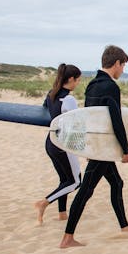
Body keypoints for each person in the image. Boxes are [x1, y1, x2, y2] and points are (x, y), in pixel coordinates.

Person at [59, 45, 128, 248]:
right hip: (103, 149)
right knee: (86, 190)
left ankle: (125, 228)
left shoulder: (92, 85)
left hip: (97, 146)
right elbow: (116, 120)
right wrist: (125, 150)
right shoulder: (110, 87)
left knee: (117, 183)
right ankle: (67, 237)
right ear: (116, 63)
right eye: (123, 65)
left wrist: (88, 146)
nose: (123, 70)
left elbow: (88, 118)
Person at [34, 64, 83, 224]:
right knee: (76, 181)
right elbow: (77, 126)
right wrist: (85, 149)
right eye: (77, 80)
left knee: (65, 179)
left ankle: (62, 213)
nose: (78, 83)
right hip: (63, 145)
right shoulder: (68, 99)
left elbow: (44, 109)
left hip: (50, 143)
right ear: (70, 79)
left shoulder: (51, 94)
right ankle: (44, 203)